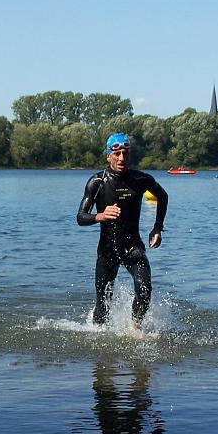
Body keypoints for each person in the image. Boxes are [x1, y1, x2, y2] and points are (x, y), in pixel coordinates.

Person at [77, 133, 168, 327]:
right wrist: (100, 216)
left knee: (144, 289)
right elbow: (80, 217)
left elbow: (163, 196)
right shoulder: (97, 182)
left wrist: (157, 227)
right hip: (107, 249)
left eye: (125, 153)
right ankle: (99, 346)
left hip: (132, 246)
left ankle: (134, 327)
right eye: (117, 153)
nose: (121, 158)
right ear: (108, 155)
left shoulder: (140, 179)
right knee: (103, 303)